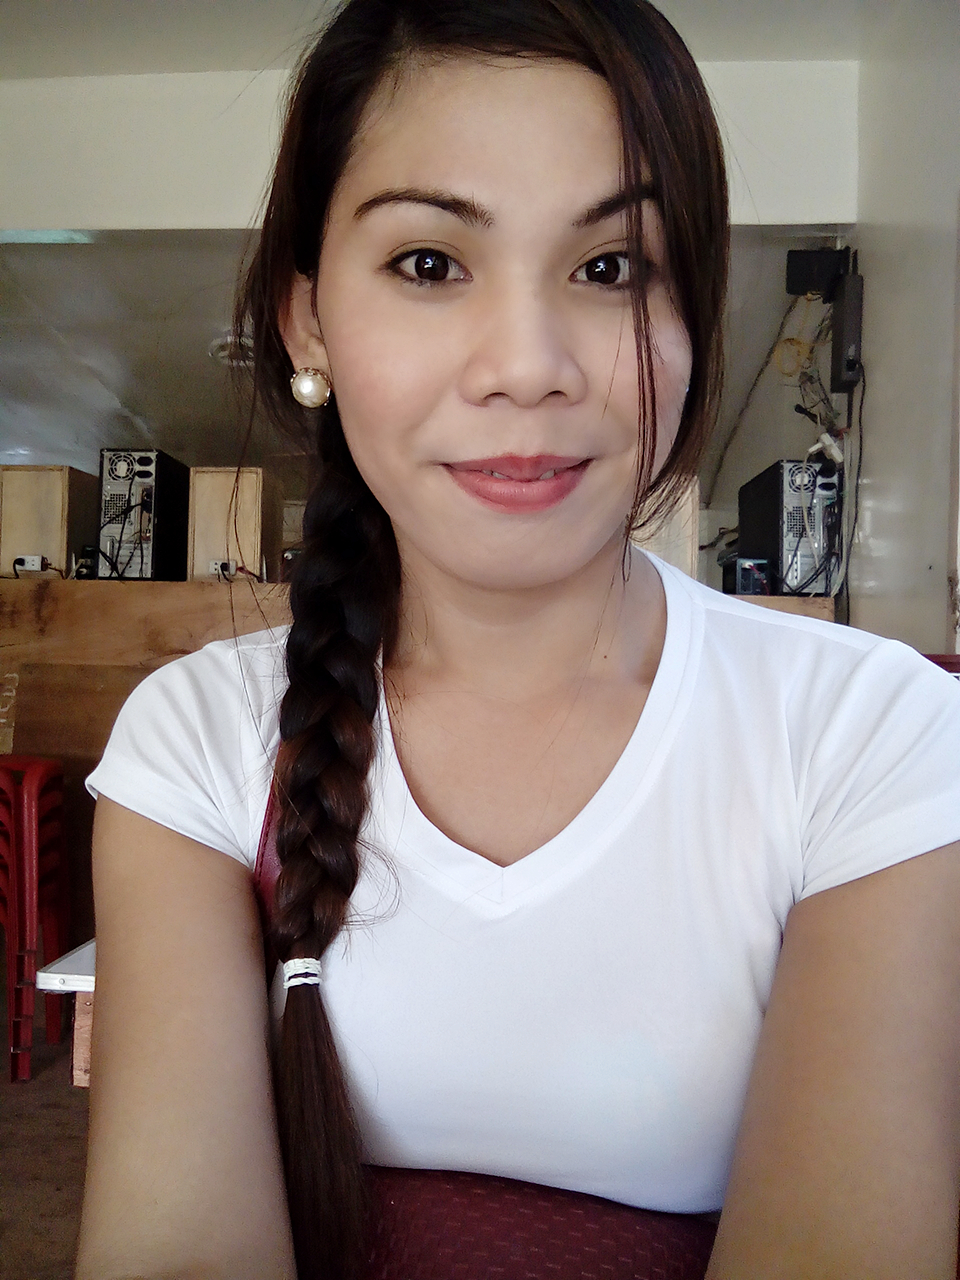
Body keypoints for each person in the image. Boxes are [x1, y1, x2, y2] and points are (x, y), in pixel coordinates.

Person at [76, 1, 960, 1277]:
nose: (527, 365)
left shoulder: (870, 736)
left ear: (692, 317)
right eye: (430, 262)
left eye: (611, 268)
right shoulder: (197, 742)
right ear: (308, 321)